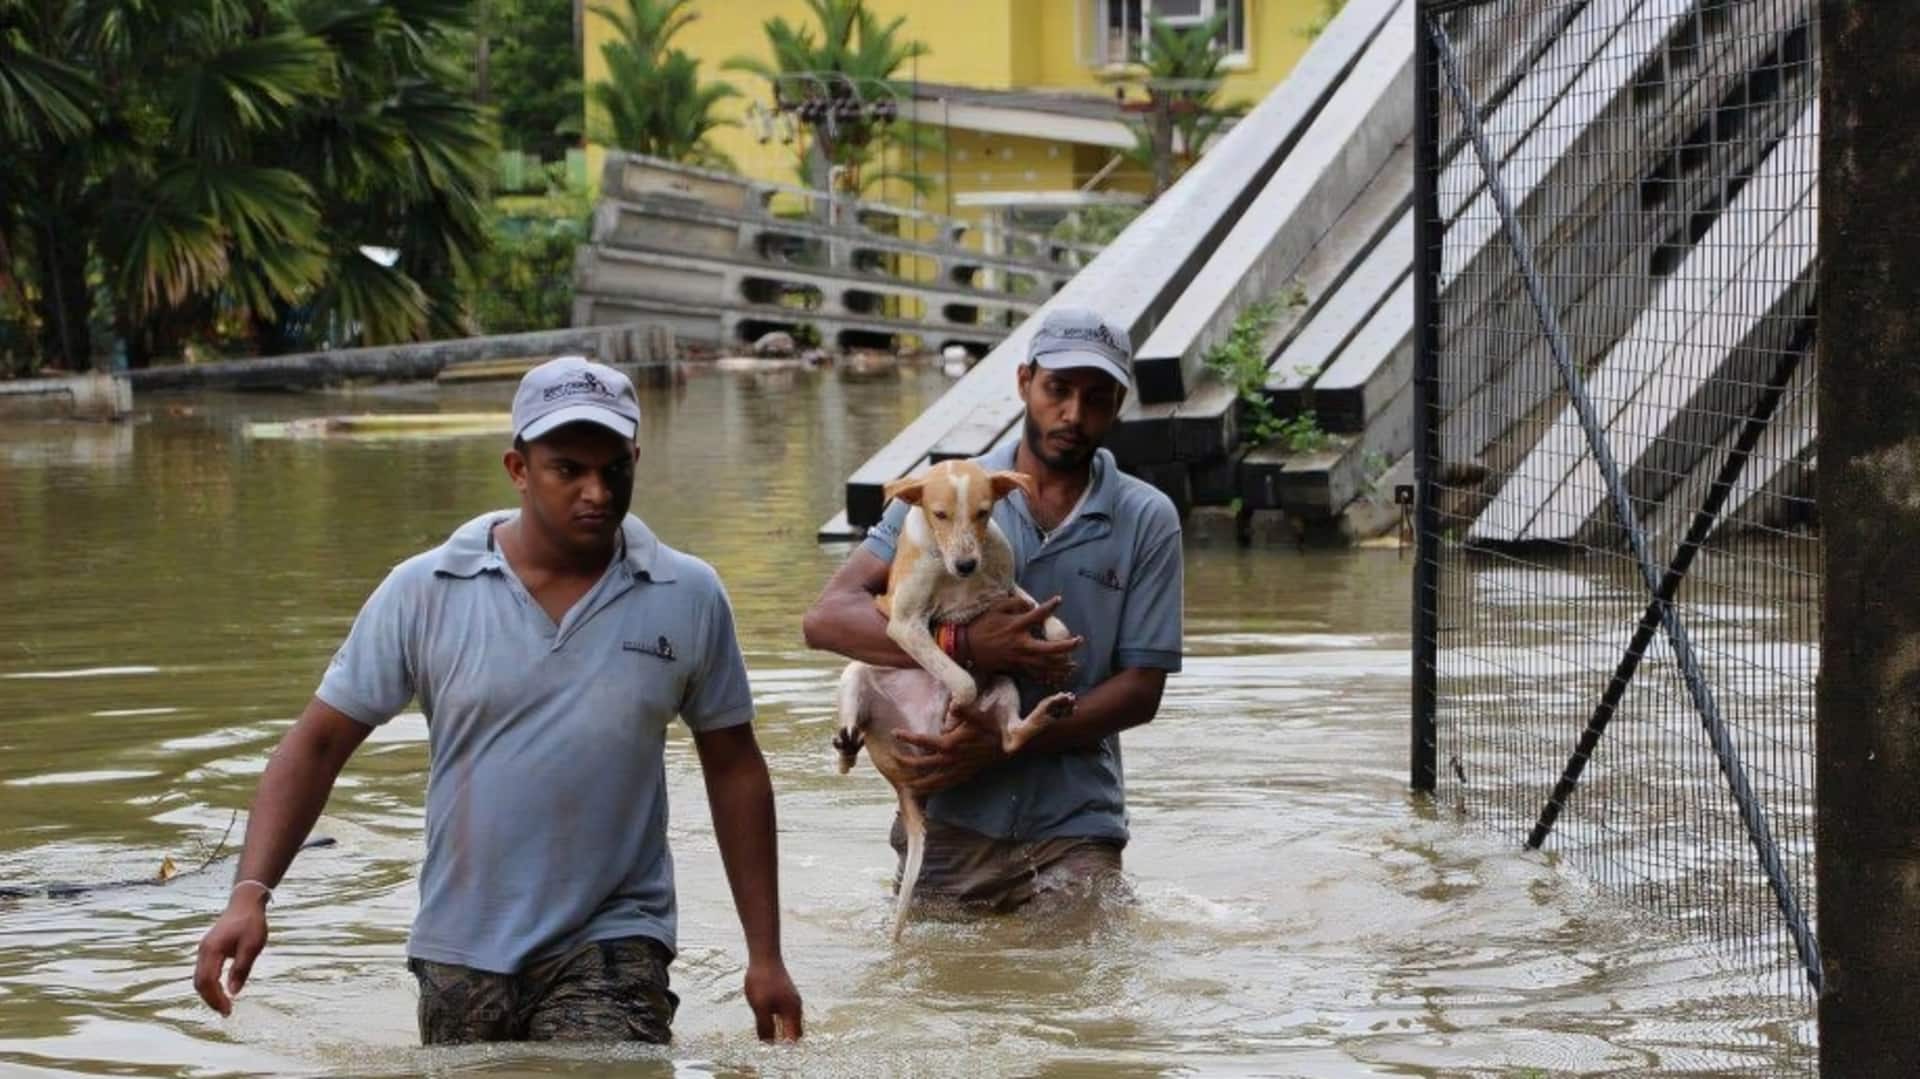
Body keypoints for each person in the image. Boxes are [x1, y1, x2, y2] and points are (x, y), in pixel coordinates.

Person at [192, 356, 803, 1045]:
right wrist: (250, 895)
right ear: (518, 468)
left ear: (635, 458)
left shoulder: (686, 594)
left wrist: (765, 953)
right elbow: (317, 744)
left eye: (614, 469)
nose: (596, 491)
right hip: (460, 946)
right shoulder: (425, 590)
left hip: (615, 937)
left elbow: (735, 766)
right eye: (568, 469)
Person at [803, 306, 1184, 912]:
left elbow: (1141, 691)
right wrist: (970, 647)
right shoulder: (949, 495)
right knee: (932, 998)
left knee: (1079, 996)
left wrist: (1009, 742)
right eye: (1058, 390)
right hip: (950, 816)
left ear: (1119, 405)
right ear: (1024, 382)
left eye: (1097, 398)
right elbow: (826, 620)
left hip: (1076, 827)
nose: (1074, 415)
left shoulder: (1147, 519)